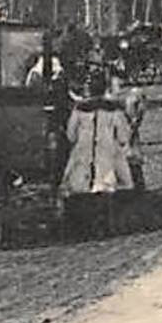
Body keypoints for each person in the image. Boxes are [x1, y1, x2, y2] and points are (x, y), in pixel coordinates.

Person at [61, 67, 138, 237]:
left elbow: (70, 135)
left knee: (79, 184)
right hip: (107, 152)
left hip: (83, 152)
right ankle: (108, 224)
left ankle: (85, 225)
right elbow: (123, 136)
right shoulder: (114, 110)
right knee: (109, 184)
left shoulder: (80, 110)